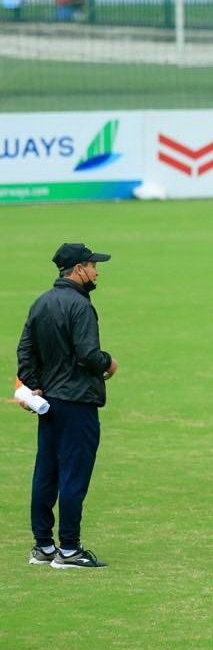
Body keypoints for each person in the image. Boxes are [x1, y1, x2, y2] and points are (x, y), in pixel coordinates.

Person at [19, 243, 116, 568]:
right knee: (74, 475)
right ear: (78, 269)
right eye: (92, 265)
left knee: (46, 472)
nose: (96, 271)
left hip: (49, 403)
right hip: (77, 402)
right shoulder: (80, 306)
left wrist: (34, 387)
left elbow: (25, 352)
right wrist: (108, 363)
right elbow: (89, 355)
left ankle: (44, 545)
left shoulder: (41, 303)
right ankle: (70, 550)